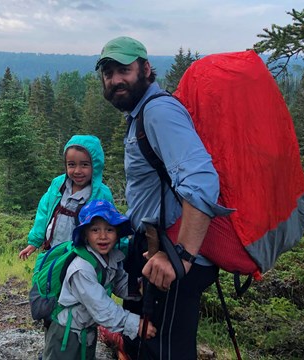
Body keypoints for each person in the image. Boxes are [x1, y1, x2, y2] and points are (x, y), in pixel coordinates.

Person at [95, 36, 233, 359]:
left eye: (124, 70)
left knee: (164, 351)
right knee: (142, 343)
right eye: (108, 72)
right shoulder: (142, 114)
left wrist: (180, 257)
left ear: (145, 68)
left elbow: (201, 181)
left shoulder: (158, 112)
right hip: (154, 249)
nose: (115, 80)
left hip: (170, 256)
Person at [43, 199, 156, 360]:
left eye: (109, 230)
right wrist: (136, 325)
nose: (103, 236)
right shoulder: (81, 268)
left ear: (117, 234)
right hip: (66, 334)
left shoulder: (109, 259)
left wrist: (138, 287)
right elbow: (101, 308)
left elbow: (119, 284)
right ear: (85, 235)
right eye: (95, 230)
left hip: (86, 331)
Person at [19, 134, 114, 260]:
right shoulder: (58, 185)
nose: (77, 171)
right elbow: (44, 211)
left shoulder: (101, 194)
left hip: (83, 257)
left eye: (84, 165)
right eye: (71, 164)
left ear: (95, 166)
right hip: (53, 252)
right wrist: (34, 242)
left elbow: (112, 225)